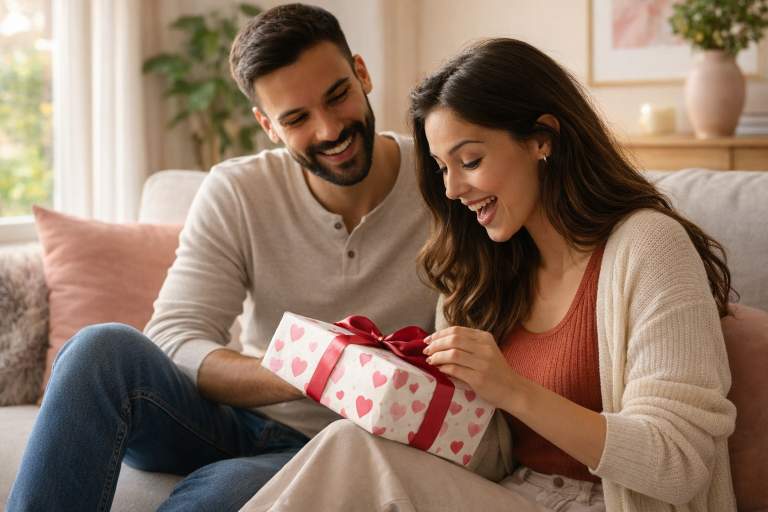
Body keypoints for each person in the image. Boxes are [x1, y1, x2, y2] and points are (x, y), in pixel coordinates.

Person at [239, 38, 737, 512]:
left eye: (470, 161)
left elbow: (680, 463)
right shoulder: (479, 277)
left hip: (611, 502)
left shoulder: (649, 248)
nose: (453, 189)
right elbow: (494, 461)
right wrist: (402, 398)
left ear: (543, 138)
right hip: (514, 496)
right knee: (353, 442)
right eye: (441, 168)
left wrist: (512, 389)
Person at [7, 4, 436, 511]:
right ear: (268, 126)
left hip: (354, 444)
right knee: (98, 349)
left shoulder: (444, 180)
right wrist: (308, 371)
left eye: (337, 95)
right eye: (296, 118)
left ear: (361, 72)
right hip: (243, 417)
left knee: (214, 498)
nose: (327, 130)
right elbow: (175, 338)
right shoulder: (238, 189)